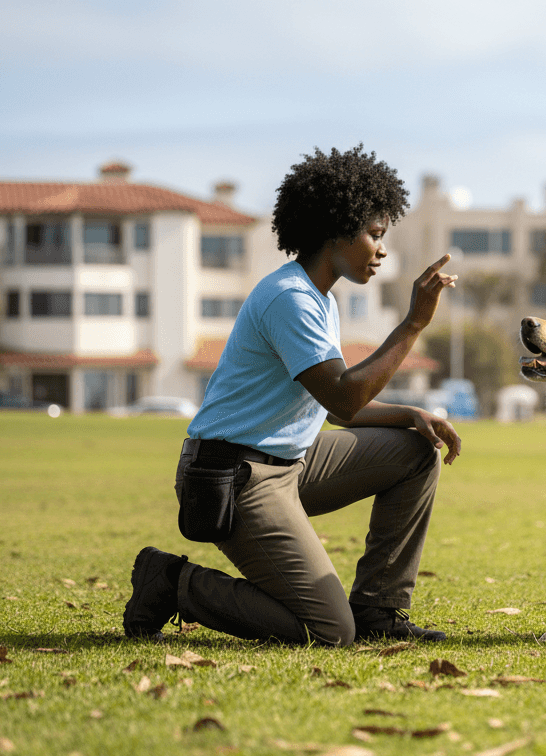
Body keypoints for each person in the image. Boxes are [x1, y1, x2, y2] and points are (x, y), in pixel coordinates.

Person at [122, 145, 460, 647]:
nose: (382, 250)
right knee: (325, 630)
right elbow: (344, 400)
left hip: (291, 461)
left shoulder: (321, 298)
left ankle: (380, 612)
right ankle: (173, 583)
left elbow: (334, 405)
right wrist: (412, 323)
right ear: (337, 231)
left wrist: (411, 415)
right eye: (375, 235)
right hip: (234, 475)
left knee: (414, 452)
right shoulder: (291, 299)